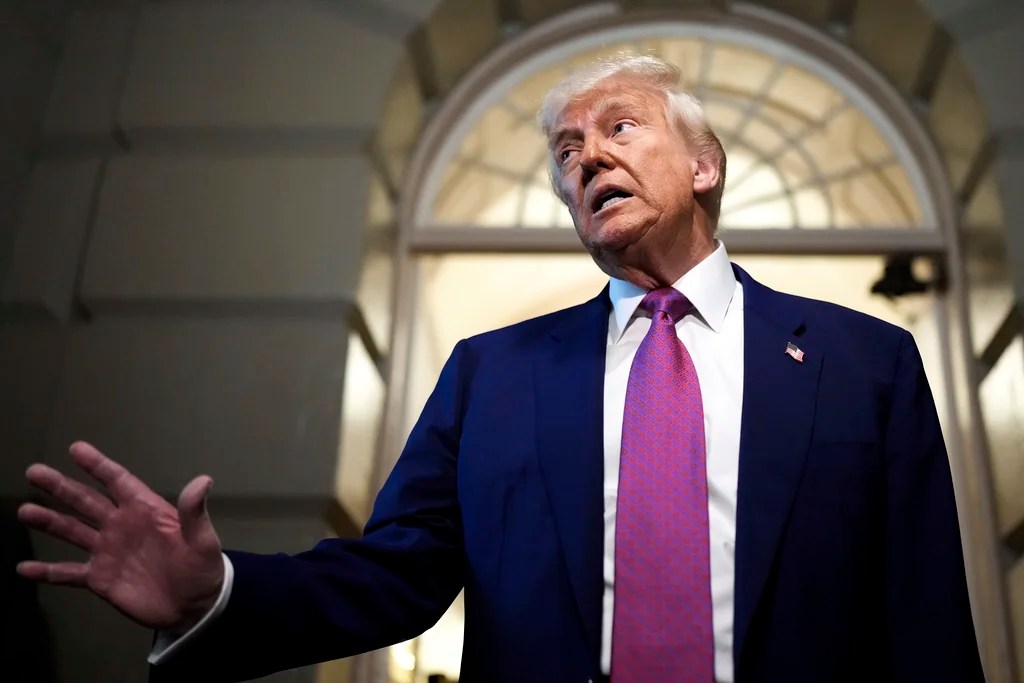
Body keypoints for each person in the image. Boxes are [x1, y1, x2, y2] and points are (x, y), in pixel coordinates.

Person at [15, 56, 984, 683]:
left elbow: (924, 610)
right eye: (567, 150)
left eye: (618, 128)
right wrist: (216, 591)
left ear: (703, 165)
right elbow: (394, 575)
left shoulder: (864, 360)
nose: (586, 158)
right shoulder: (495, 374)